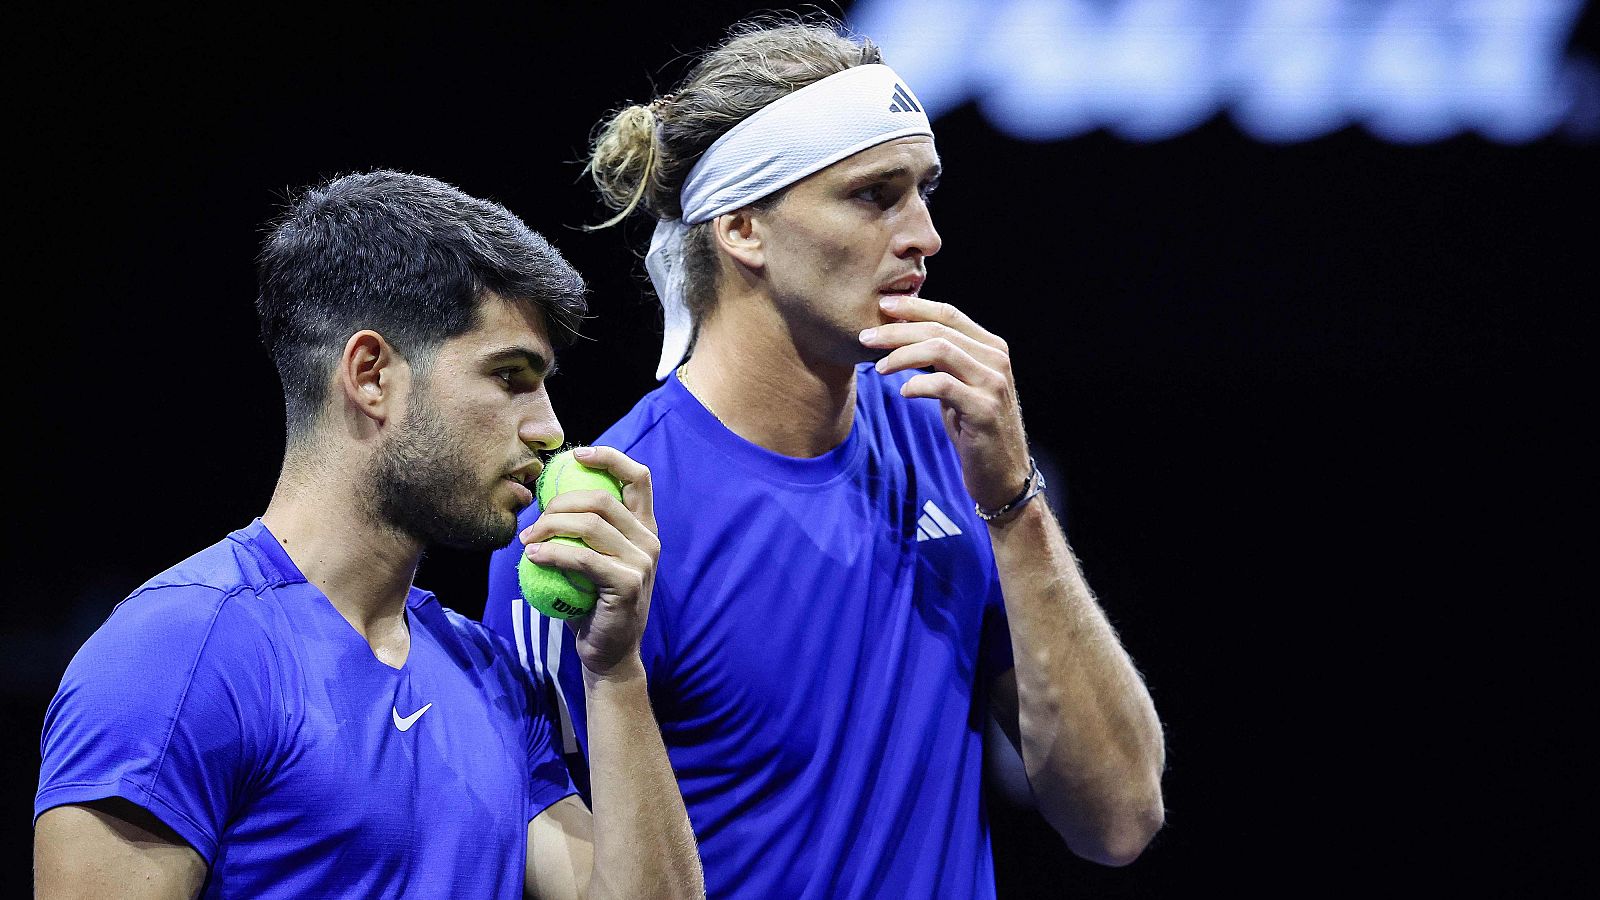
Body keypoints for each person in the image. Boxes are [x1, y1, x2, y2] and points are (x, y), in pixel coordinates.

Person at [484, 13, 1167, 898]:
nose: (925, 236)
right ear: (743, 231)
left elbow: (1119, 816)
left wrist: (1015, 499)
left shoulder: (949, 440)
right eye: (875, 196)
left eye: (924, 191)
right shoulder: (596, 519)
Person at [34, 170, 704, 900]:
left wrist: (615, 670)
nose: (550, 430)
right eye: (511, 377)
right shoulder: (173, 657)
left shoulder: (487, 674)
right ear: (372, 375)